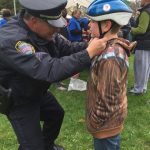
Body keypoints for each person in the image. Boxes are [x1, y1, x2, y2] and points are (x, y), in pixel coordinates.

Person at [0, 0, 111, 150]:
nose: (57, 30)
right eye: (53, 26)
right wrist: (88, 53)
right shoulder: (12, 40)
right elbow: (49, 70)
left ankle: (48, 145)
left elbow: (68, 47)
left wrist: (89, 46)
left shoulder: (46, 32)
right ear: (34, 21)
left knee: (56, 114)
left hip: (36, 90)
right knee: (32, 146)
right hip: (19, 99)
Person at [85, 0, 136, 150]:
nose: (88, 25)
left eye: (92, 21)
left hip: (105, 127)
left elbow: (108, 99)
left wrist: (95, 122)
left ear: (106, 25)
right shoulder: (105, 48)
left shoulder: (111, 57)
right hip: (106, 125)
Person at [129, 0, 150, 95]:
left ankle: (138, 89)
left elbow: (141, 29)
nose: (141, 1)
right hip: (147, 43)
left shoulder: (146, 11)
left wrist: (131, 30)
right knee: (146, 68)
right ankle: (143, 88)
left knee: (140, 67)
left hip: (143, 43)